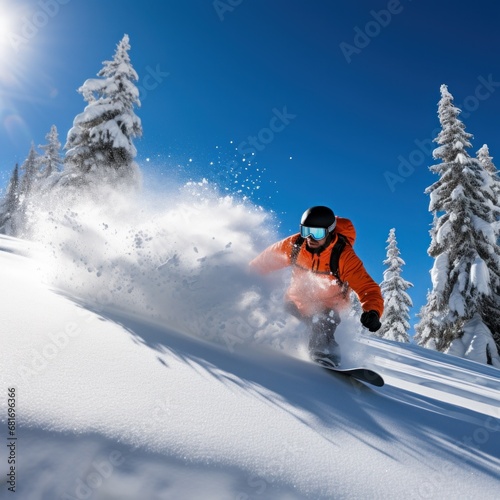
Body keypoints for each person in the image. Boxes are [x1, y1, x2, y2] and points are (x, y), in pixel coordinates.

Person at [249, 206, 383, 367]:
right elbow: (263, 262)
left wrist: (373, 312)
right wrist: (242, 279)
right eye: (306, 231)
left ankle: (326, 354)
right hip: (295, 302)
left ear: (330, 232)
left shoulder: (343, 256)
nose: (310, 238)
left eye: (317, 233)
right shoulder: (295, 245)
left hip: (328, 306)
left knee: (322, 324)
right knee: (272, 317)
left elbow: (367, 288)